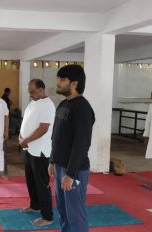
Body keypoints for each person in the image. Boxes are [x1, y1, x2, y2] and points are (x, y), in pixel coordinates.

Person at [48, 65, 95, 232]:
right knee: (63, 210)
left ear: (74, 83)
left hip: (74, 170)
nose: (58, 83)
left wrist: (70, 173)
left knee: (74, 212)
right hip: (60, 166)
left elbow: (81, 144)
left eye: (62, 80)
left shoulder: (82, 108)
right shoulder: (62, 105)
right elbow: (56, 136)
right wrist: (52, 160)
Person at [19, 79, 55, 226]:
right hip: (29, 149)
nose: (31, 94)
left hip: (40, 150)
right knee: (31, 180)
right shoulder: (33, 103)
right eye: (29, 92)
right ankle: (35, 206)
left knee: (42, 184)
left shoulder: (47, 105)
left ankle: (47, 216)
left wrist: (26, 139)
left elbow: (43, 128)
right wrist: (23, 138)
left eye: (32, 92)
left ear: (41, 89)